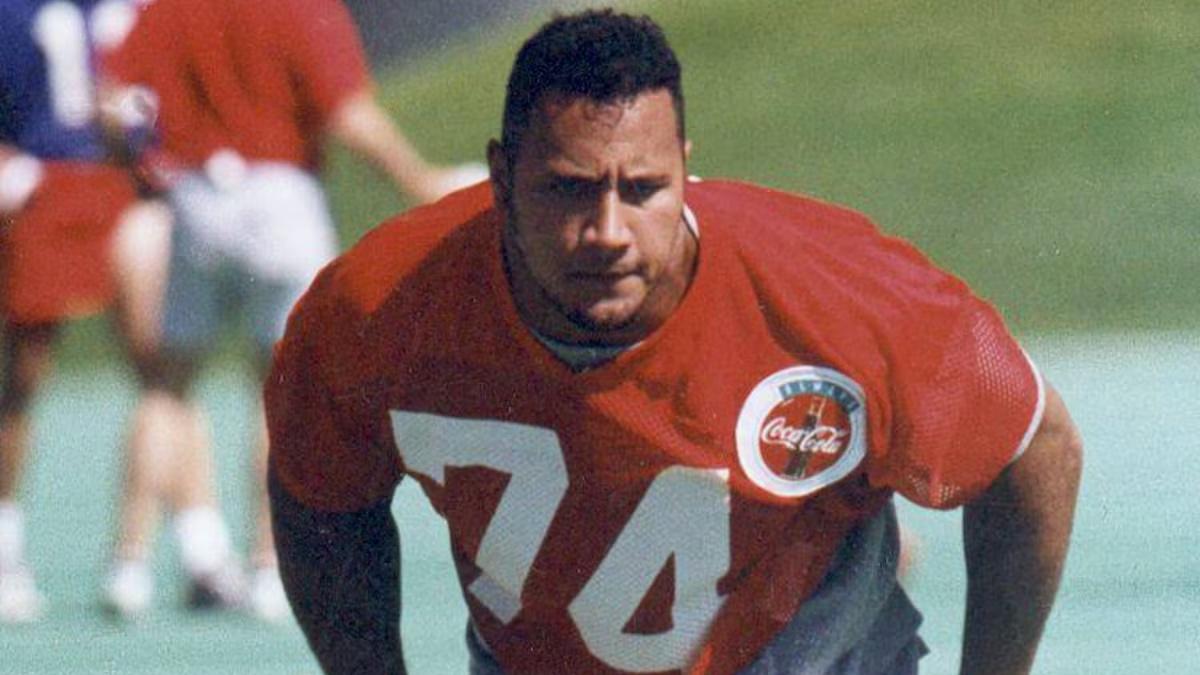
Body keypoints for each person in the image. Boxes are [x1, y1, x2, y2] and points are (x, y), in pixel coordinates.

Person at [266, 9, 1083, 675]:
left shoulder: (835, 295)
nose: (607, 232)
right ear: (502, 178)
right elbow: (317, 493)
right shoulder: (377, 308)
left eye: (643, 188)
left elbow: (1033, 446)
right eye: (568, 189)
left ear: (685, 171)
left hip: (805, 652)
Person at [100, 0, 484, 622]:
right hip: (279, 198)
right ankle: (268, 567)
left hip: (194, 199)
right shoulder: (300, 8)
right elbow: (348, 115)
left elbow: (115, 102)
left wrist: (137, 160)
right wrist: (419, 180)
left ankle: (129, 566)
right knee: (282, 389)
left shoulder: (170, 8)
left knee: (166, 388)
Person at [0, 0, 180, 623]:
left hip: (113, 188)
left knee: (163, 370)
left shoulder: (116, 12)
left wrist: (138, 134)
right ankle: (5, 548)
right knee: (23, 379)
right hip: (42, 192)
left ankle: (188, 551)